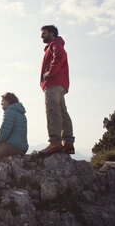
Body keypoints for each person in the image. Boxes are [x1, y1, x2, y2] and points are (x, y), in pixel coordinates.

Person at [39, 25, 75, 155]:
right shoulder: (56, 44)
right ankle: (68, 143)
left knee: (52, 111)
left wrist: (50, 72)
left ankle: (55, 142)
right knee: (62, 112)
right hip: (60, 83)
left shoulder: (55, 44)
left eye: (44, 33)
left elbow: (59, 56)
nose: (41, 36)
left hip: (53, 83)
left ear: (52, 33)